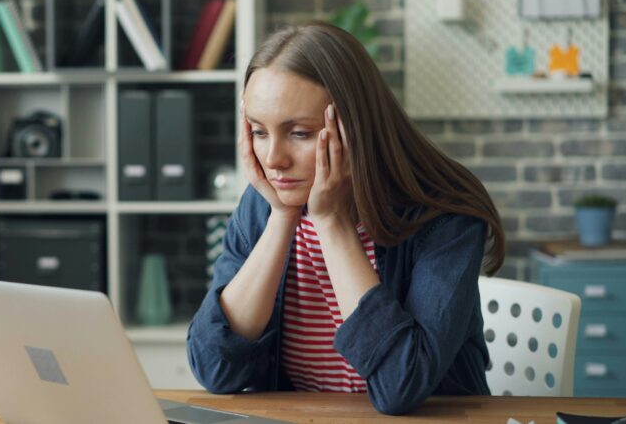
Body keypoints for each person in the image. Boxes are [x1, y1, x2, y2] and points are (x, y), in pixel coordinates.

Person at [186, 21, 506, 416]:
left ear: (356, 126)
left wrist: (333, 223)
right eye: (258, 131)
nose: (273, 160)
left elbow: (400, 386)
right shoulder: (265, 204)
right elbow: (214, 368)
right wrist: (282, 217)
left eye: (299, 133)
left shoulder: (444, 215)